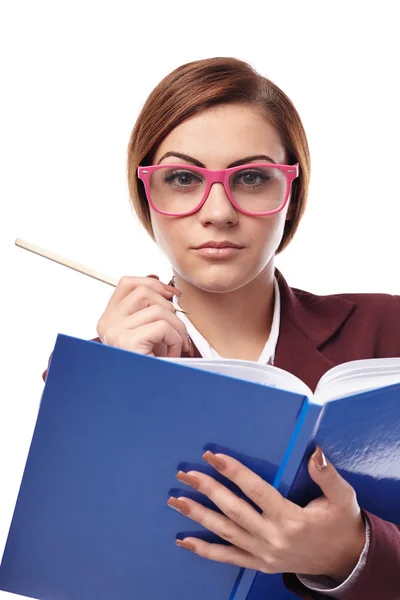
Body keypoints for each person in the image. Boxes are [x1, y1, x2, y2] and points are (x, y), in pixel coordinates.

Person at [44, 57, 400, 599]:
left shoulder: (386, 331)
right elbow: (68, 573)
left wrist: (353, 553)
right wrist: (119, 384)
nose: (217, 211)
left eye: (252, 177)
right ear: (147, 196)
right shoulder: (93, 375)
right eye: (183, 178)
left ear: (292, 194)